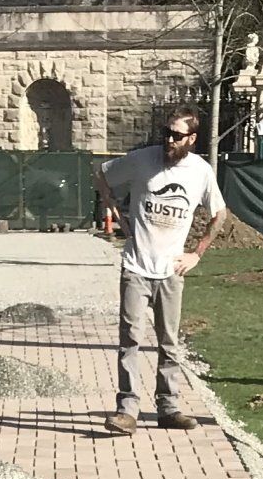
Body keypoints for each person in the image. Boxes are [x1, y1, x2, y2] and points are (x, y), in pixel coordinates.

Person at [94, 108, 226, 436]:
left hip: (171, 273)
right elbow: (102, 173)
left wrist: (196, 254)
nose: (169, 140)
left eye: (177, 135)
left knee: (169, 342)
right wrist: (112, 207)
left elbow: (219, 214)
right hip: (136, 268)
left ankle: (169, 407)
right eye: (166, 133)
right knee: (130, 340)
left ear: (192, 139)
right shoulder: (142, 160)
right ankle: (127, 409)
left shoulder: (200, 172)